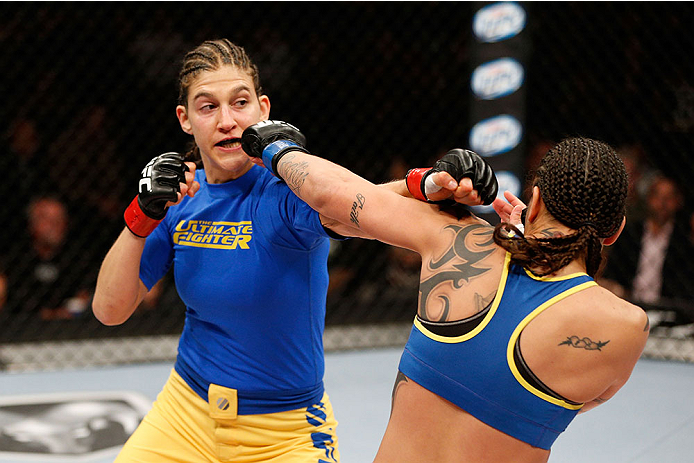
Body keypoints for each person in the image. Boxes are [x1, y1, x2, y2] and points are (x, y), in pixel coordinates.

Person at [91, 38, 472, 462]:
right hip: (185, 413)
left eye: (240, 103)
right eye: (207, 107)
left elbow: (355, 204)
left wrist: (426, 183)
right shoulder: (179, 198)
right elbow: (109, 310)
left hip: (283, 432)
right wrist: (141, 214)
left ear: (263, 110)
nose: (227, 121)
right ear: (185, 119)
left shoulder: (283, 193)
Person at [242, 124, 650, 463]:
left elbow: (329, 196)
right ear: (615, 231)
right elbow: (575, 400)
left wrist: (276, 147)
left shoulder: (455, 239)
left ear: (536, 198)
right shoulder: (627, 327)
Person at [600, 174, 694, 327]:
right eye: (658, 195)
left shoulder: (684, 241)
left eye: (669, 197)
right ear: (649, 198)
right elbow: (614, 272)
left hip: (670, 313)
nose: (663, 203)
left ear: (678, 202)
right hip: (628, 304)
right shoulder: (630, 234)